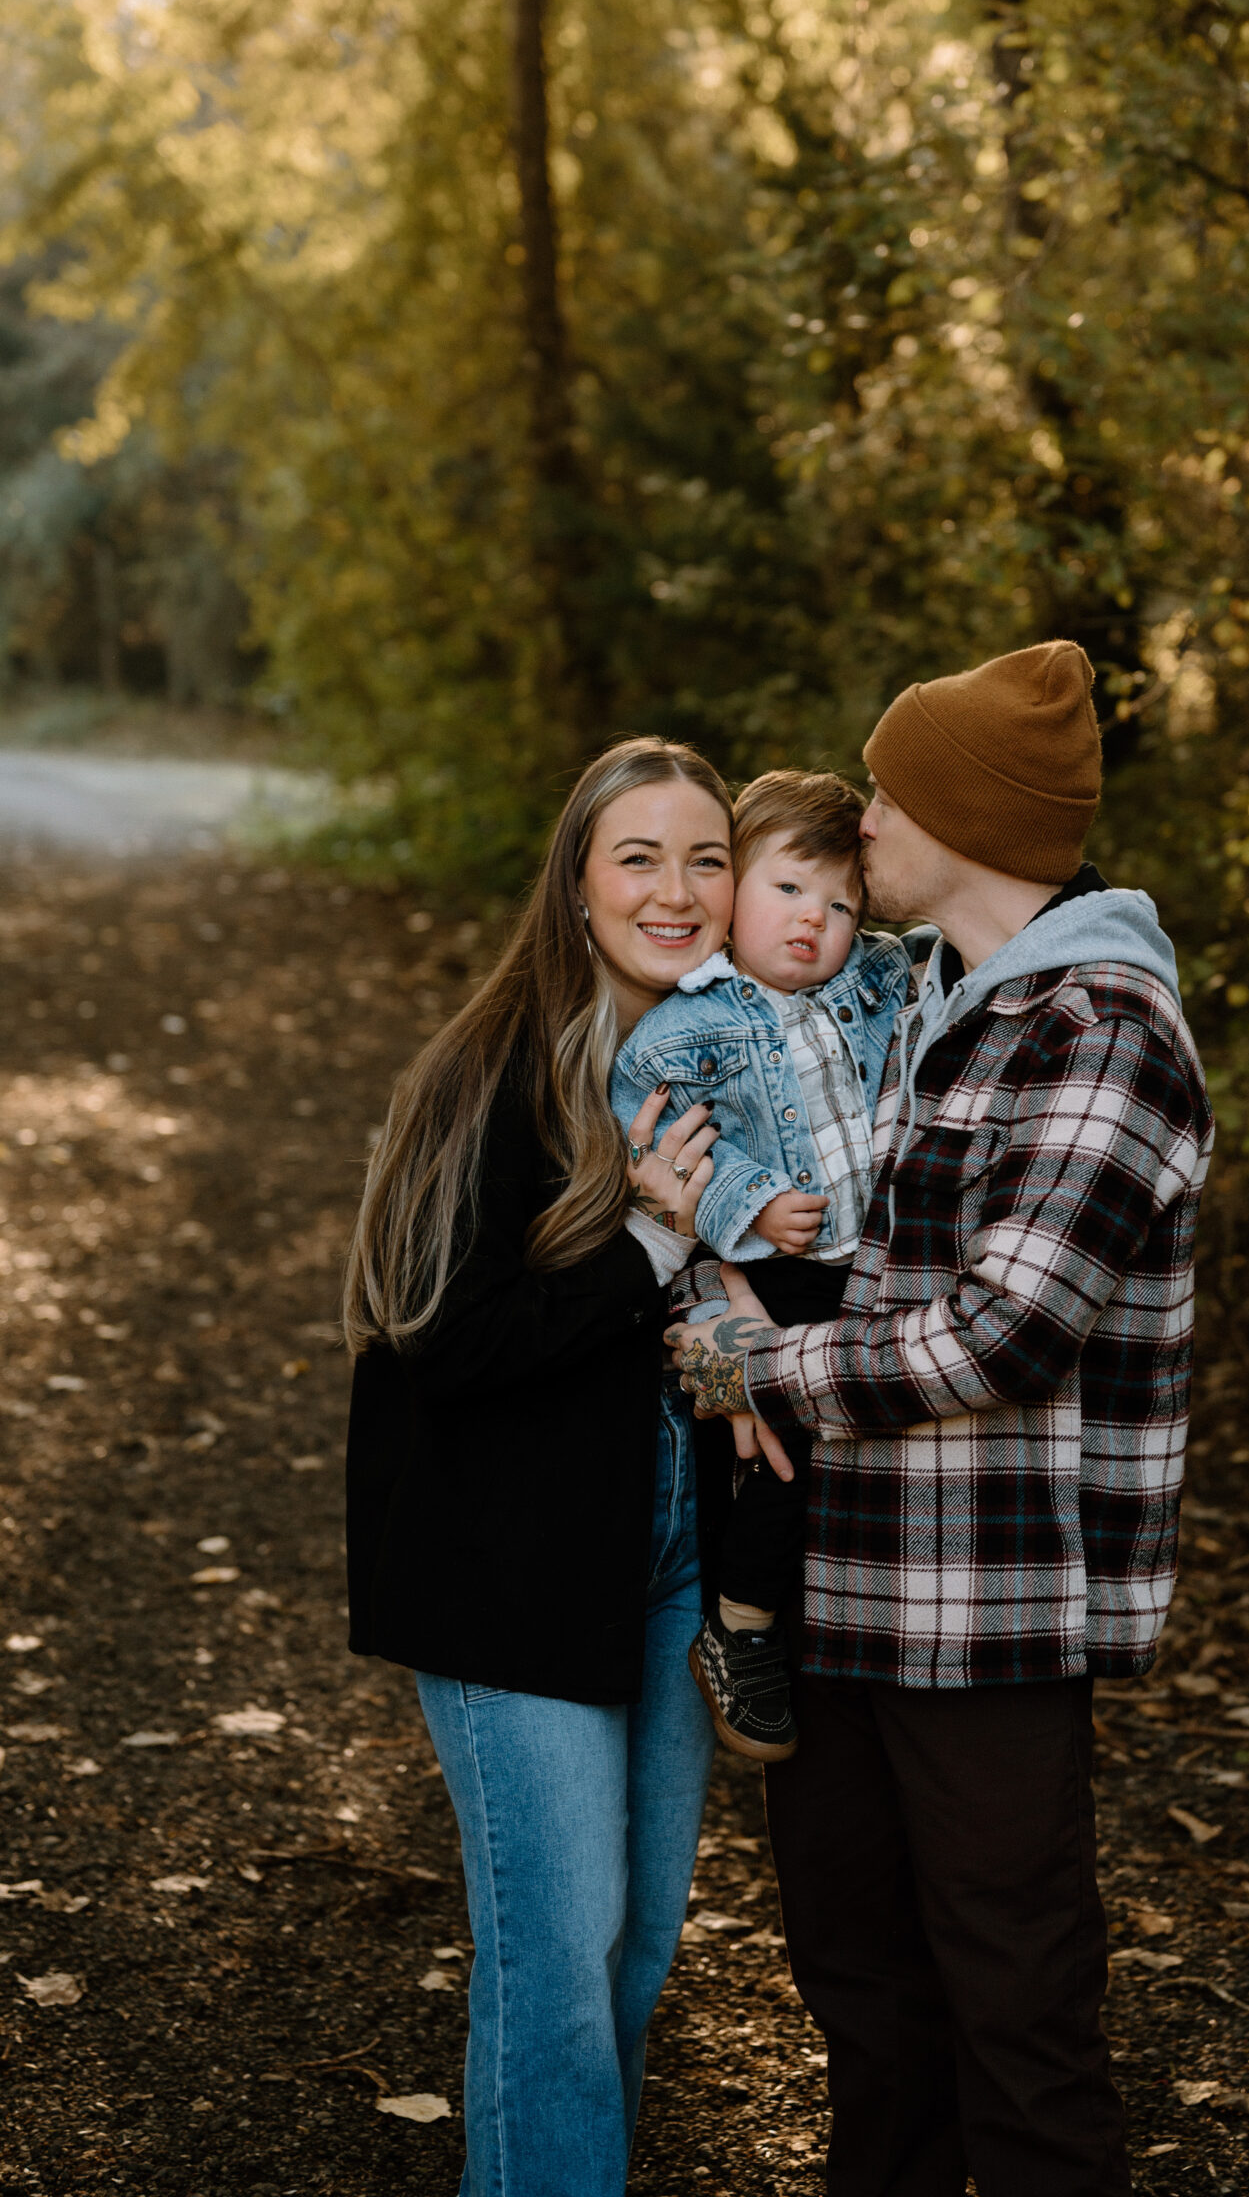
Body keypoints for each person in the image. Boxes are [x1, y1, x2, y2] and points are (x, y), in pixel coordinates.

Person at [671, 641, 1215, 2197]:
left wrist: (751, 1373)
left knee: (1018, 2024)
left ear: (964, 819)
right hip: (835, 1590)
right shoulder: (911, 1003)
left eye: (886, 795)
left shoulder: (1101, 1032)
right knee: (868, 2014)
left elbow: (1002, 1333)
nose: (861, 825)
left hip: (988, 1616)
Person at [342, 736, 743, 2197]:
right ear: (576, 885)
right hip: (505, 1566)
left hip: (667, 1563)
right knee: (556, 1963)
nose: (677, 888)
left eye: (706, 857)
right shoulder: (493, 1070)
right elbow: (445, 1337)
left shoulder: (730, 1057)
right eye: (638, 856)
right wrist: (643, 1247)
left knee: (634, 1955)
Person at [612, 769, 916, 1762]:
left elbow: (936, 950)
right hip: (776, 1269)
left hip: (861, 1273)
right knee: (774, 1454)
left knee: (828, 1453)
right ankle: (737, 1622)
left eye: (837, 905)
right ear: (733, 887)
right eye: (787, 889)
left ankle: (787, 1616)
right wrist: (743, 1197)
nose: (811, 921)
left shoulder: (865, 982)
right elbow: (643, 1119)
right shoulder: (691, 1019)